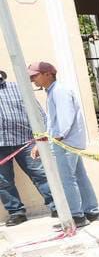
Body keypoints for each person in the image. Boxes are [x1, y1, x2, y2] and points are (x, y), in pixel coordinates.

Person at [28, 62, 99, 227]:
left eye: (35, 76)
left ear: (48, 74)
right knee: (79, 177)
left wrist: (55, 139)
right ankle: (92, 211)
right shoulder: (54, 91)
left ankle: (76, 216)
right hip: (68, 142)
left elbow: (64, 121)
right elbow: (53, 123)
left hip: (65, 143)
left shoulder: (59, 91)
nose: (33, 80)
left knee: (67, 180)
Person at [0, 69, 55, 226]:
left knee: (40, 174)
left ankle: (56, 205)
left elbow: (38, 112)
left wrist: (42, 137)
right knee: (3, 182)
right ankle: (16, 212)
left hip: (26, 141)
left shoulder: (17, 88)